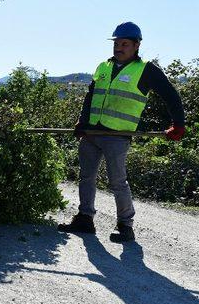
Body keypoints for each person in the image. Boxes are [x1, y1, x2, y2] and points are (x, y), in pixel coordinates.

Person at [58, 22, 185, 243]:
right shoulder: (103, 67)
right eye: (116, 43)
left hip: (117, 135)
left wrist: (179, 124)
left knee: (117, 182)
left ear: (136, 45)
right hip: (91, 132)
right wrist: (82, 121)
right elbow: (90, 96)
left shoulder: (146, 69)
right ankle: (85, 219)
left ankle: (125, 226)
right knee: (86, 177)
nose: (118, 47)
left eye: (124, 43)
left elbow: (171, 96)